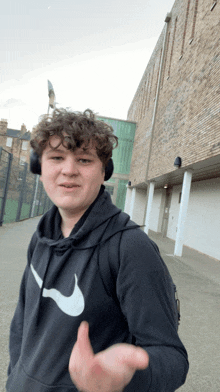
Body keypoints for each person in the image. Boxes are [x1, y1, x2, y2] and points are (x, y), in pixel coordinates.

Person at [6, 108, 189, 392]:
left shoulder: (130, 248)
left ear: (104, 171)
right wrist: (14, 376)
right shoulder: (41, 236)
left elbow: (172, 358)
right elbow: (22, 322)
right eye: (56, 158)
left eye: (84, 159)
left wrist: (124, 378)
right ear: (39, 168)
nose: (69, 170)